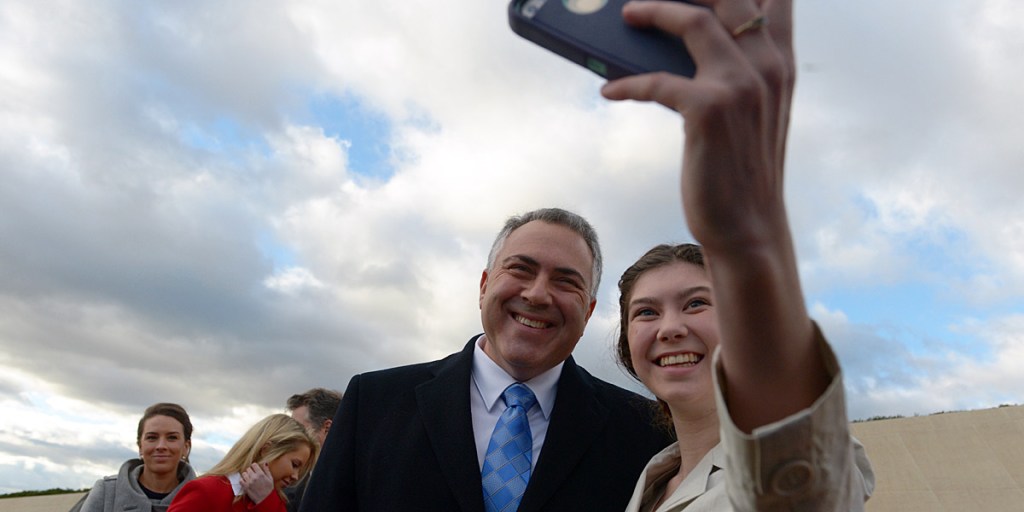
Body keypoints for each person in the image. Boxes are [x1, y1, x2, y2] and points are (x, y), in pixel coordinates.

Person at [597, 0, 875, 509]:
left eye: (697, 303)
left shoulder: (808, 465)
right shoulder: (652, 479)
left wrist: (746, 238)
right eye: (646, 312)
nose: (670, 327)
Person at [300, 208, 674, 511]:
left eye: (565, 282)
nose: (537, 293)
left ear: (588, 312)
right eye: (521, 269)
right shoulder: (374, 402)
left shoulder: (644, 433)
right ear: (484, 287)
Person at [168, 414, 318, 512]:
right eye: (295, 465)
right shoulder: (206, 490)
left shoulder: (275, 501)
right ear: (266, 450)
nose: (295, 476)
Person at [80, 403, 196, 512]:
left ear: (186, 446)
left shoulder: (203, 497)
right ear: (140, 446)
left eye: (172, 437)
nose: (161, 446)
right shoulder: (107, 492)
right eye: (152, 437)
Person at [283, 388, 342, 512]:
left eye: (297, 428)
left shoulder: (349, 482)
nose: (289, 435)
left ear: (327, 428)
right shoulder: (292, 480)